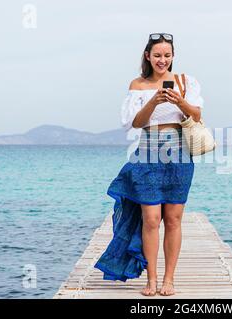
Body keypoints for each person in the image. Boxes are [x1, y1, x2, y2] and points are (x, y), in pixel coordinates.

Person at [94, 33, 205, 297]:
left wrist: (179, 100)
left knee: (173, 219)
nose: (162, 60)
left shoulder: (185, 82)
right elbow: (134, 122)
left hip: (179, 153)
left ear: (173, 56)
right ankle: (152, 280)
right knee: (151, 219)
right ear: (148, 56)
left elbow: (198, 114)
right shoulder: (138, 84)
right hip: (147, 152)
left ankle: (169, 279)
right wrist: (154, 101)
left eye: (167, 55)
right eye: (157, 55)